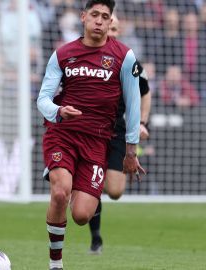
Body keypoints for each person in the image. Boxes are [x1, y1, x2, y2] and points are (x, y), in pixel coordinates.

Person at [36, 1, 145, 269]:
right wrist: (60, 110)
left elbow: (133, 106)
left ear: (111, 23)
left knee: (82, 215)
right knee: (60, 193)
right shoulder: (63, 54)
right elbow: (42, 99)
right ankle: (55, 264)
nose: (99, 20)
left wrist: (131, 151)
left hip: (98, 142)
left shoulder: (124, 56)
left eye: (104, 17)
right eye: (94, 15)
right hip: (62, 133)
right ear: (83, 17)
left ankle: (69, 178)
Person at [87, 13, 152, 254]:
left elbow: (145, 91)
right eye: (108, 29)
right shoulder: (83, 58)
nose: (110, 33)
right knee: (92, 185)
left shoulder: (128, 60)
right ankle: (96, 238)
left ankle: (91, 184)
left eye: (114, 30)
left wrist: (143, 122)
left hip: (117, 131)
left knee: (114, 191)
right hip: (88, 131)